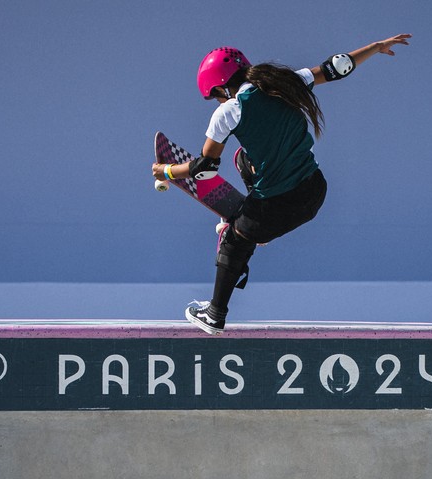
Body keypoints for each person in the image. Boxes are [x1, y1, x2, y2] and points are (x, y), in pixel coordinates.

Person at [152, 35, 411, 334]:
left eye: (216, 95)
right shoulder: (283, 84)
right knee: (243, 159)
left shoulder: (228, 111)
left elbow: (204, 167)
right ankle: (255, 224)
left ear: (222, 86)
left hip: (279, 205)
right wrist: (374, 48)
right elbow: (335, 67)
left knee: (234, 241)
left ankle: (214, 314)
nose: (218, 101)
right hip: (315, 190)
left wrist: (168, 171)